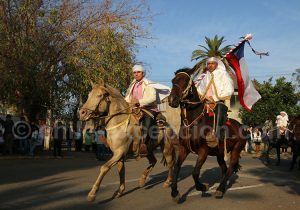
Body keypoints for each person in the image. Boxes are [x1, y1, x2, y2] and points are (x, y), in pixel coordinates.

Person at [196, 57, 234, 144]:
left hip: (218, 101)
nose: (210, 65)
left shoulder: (223, 74)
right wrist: (204, 97)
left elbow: (229, 86)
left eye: (212, 63)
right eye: (209, 64)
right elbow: (200, 89)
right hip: (205, 101)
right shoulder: (205, 76)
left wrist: (217, 97)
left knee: (220, 107)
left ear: (217, 65)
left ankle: (218, 136)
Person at [125, 64, 159, 156]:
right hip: (135, 109)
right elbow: (128, 97)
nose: (136, 74)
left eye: (138, 72)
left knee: (147, 123)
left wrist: (139, 102)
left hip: (148, 108)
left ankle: (144, 146)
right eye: (134, 72)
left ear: (143, 73)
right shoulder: (132, 85)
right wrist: (126, 103)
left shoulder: (149, 83)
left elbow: (153, 98)